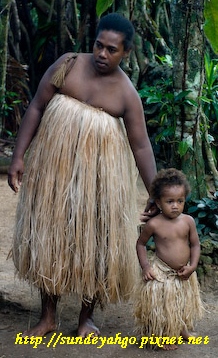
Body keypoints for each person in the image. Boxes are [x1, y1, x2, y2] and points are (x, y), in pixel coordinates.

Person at [8, 13, 157, 338]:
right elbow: (36, 106)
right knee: (50, 236)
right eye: (99, 45)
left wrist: (155, 191)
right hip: (54, 174)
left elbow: (141, 146)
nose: (103, 54)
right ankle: (48, 316)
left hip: (100, 181)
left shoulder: (126, 94)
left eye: (112, 50)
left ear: (126, 52)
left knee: (97, 242)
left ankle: (86, 319)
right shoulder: (68, 64)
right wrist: (19, 155)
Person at [134, 168, 204, 350]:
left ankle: (181, 329)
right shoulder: (154, 224)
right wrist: (145, 266)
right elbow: (140, 244)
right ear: (158, 202)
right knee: (163, 307)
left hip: (183, 272)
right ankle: (162, 335)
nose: (175, 206)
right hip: (162, 273)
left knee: (181, 303)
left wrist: (193, 266)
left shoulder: (187, 221)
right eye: (170, 201)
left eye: (180, 201)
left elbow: (195, 245)